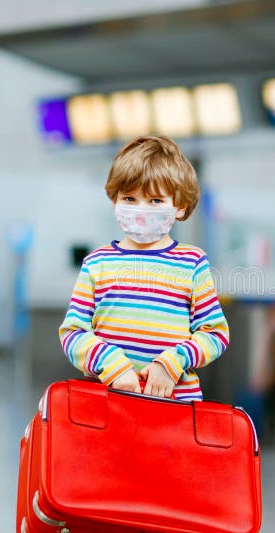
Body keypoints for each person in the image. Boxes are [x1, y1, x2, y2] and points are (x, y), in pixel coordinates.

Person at [58, 136, 229, 400]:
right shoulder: (97, 263)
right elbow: (73, 333)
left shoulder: (192, 263)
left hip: (175, 409)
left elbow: (215, 334)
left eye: (155, 201)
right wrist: (113, 367)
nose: (141, 210)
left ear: (180, 207)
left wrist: (170, 364)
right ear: (114, 200)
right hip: (106, 406)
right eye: (129, 198)